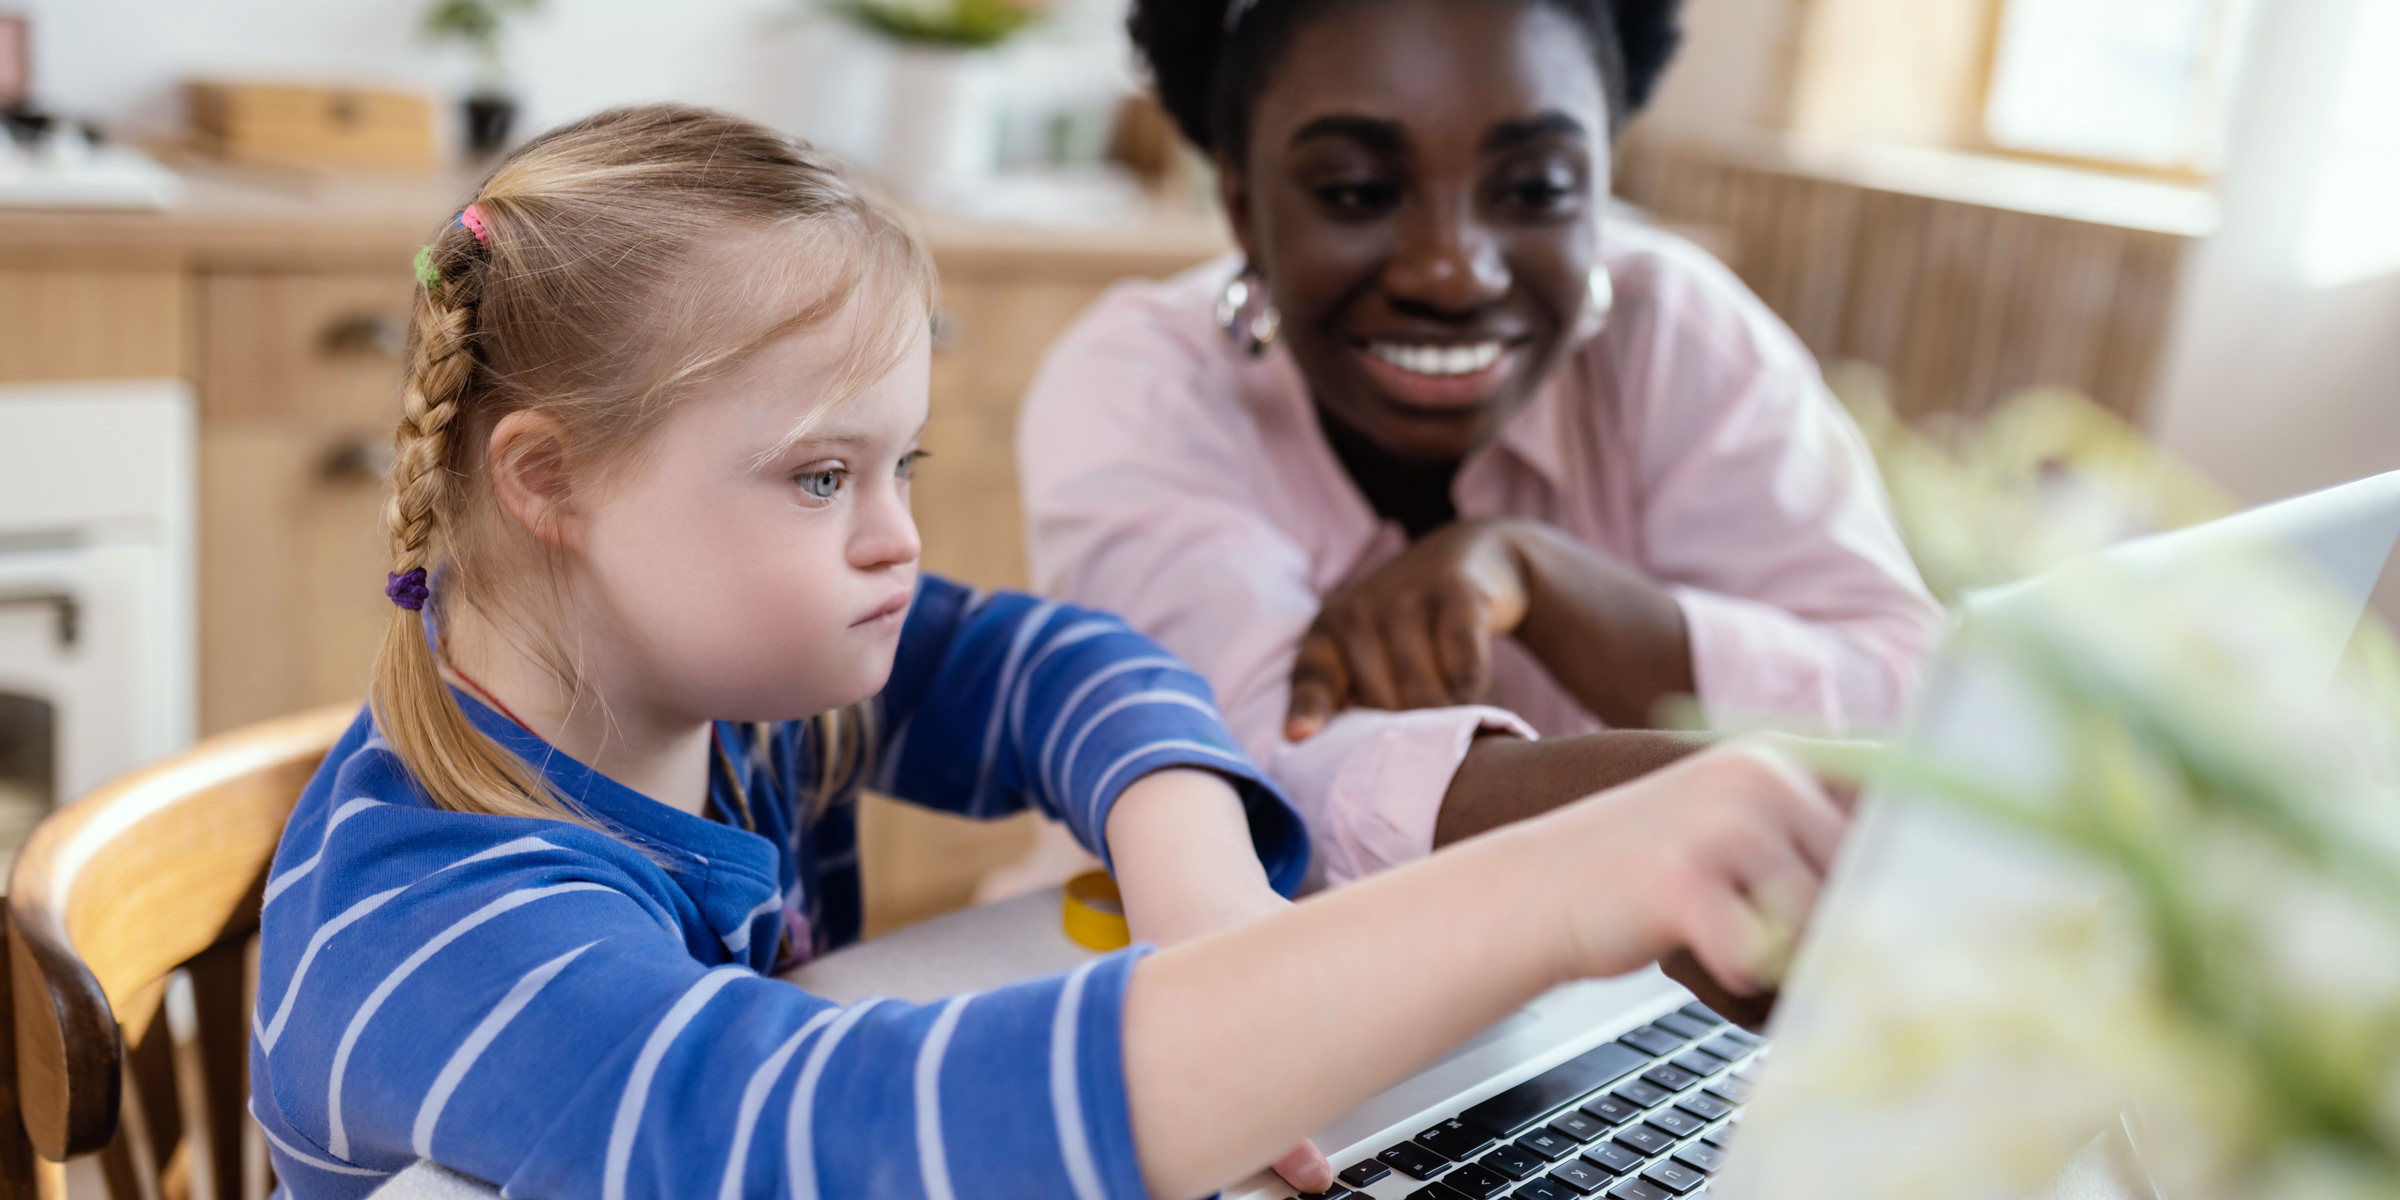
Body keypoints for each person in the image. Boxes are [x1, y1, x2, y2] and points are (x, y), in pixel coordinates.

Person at [249, 105, 1847, 1200]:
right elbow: (837, 1134)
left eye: (903, 468)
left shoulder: (708, 679)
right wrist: (1560, 890)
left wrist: (1201, 887)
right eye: (821, 477)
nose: (897, 541)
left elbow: (1059, 666)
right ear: (552, 485)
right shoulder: (439, 935)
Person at [1019, 0, 1943, 887]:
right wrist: (1705, 811)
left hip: (1610, 1007)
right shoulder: (1139, 389)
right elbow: (1251, 780)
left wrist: (1553, 585)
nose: (1454, 272)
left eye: (1536, 188)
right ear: (1242, 205)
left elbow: (1914, 705)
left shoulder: (1677, 336)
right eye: (1358, 190)